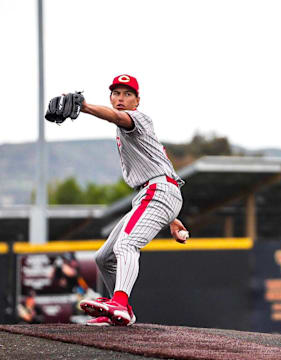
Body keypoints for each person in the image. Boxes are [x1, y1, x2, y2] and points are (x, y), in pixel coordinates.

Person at [79, 74, 188, 326]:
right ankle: (120, 309)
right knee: (103, 258)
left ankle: (119, 303)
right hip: (153, 193)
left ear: (137, 101)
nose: (121, 98)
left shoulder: (138, 118)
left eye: (127, 94)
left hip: (157, 191)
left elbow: (117, 117)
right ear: (110, 97)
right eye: (116, 93)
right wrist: (172, 218)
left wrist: (84, 107)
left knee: (126, 245)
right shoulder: (126, 132)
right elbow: (161, 166)